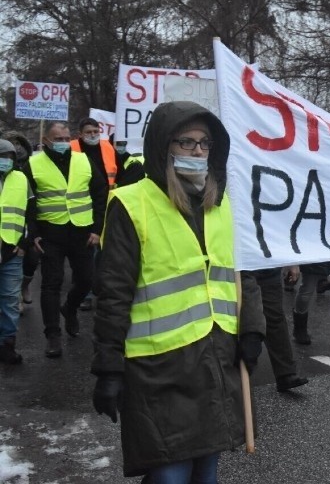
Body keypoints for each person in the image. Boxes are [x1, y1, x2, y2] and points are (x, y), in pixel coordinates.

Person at [90, 101, 265, 481]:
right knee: (170, 474)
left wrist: (252, 329)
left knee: (206, 473)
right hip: (159, 370)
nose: (197, 151)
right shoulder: (131, 203)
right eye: (186, 142)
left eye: (204, 143)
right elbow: (113, 293)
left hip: (215, 360)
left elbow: (242, 274)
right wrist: (108, 367)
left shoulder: (222, 204)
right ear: (163, 147)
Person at [21, 121, 107, 358]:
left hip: (82, 231)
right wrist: (34, 233)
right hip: (50, 233)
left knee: (86, 280)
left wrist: (97, 229)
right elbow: (28, 201)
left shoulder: (83, 160)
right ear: (46, 141)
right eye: (58, 139)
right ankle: (53, 335)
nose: (63, 143)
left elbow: (100, 194)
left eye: (66, 138)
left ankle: (69, 308)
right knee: (51, 283)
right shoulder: (33, 164)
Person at [72, 118, 122, 311]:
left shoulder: (108, 148)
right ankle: (85, 292)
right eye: (89, 132)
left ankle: (96, 289)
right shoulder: (72, 149)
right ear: (80, 134)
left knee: (102, 252)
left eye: (96, 131)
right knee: (85, 253)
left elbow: (120, 174)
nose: (93, 135)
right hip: (81, 208)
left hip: (107, 206)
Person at [243, 266, 309, 392]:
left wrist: (292, 263)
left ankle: (285, 372)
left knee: (275, 316)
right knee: (245, 321)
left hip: (267, 268)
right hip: (238, 270)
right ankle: (233, 376)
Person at [0, 139, 34, 364]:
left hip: (11, 250)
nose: (6, 161)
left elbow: (31, 212)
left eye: (10, 157)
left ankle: (7, 345)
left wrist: (24, 244)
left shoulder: (21, 179)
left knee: (11, 300)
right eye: (3, 156)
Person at [2, 131, 38, 306]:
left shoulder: (27, 169)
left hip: (21, 230)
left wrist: (29, 237)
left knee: (31, 259)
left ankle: (24, 287)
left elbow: (32, 204)